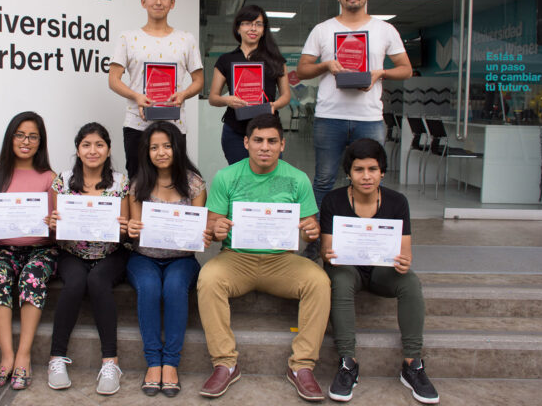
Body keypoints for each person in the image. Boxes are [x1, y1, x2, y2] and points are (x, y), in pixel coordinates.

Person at [197, 114, 331, 402]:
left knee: (319, 282)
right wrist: (217, 228)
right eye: (258, 140)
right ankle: (225, 363)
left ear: (283, 144)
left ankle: (302, 367)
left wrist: (311, 230)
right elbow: (212, 226)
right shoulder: (226, 176)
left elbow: (310, 229)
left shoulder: (297, 179)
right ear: (246, 143)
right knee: (208, 278)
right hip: (236, 258)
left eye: (272, 141)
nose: (264, 147)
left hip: (281, 260)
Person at [297, 0, 412, 260]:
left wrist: (379, 74)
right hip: (329, 116)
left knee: (373, 181)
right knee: (323, 181)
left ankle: (372, 244)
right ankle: (318, 244)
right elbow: (303, 69)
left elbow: (406, 69)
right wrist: (327, 65)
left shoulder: (385, 29)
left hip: (369, 118)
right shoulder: (323, 30)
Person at [320, 138, 439, 404]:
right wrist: (327, 253)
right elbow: (326, 249)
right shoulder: (334, 200)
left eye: (372, 169)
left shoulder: (397, 202)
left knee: (410, 282)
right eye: (359, 170)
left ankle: (413, 364)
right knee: (339, 279)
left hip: (382, 271)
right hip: (348, 269)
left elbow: (404, 251)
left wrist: (404, 262)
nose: (366, 176)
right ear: (348, 173)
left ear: (382, 172)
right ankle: (347, 362)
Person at [46, 122, 130, 395]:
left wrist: (124, 226)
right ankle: (56, 358)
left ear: (108, 150)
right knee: (74, 283)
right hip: (73, 252)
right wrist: (52, 223)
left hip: (110, 253)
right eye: (86, 145)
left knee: (97, 281)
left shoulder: (121, 181)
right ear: (78, 149)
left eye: (99, 145)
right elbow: (53, 228)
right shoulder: (63, 179)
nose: (92, 150)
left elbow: (126, 228)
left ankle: (110, 362)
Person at [126, 121, 207, 398]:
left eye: (167, 146)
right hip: (144, 258)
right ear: (146, 152)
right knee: (149, 288)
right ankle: (153, 361)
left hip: (182, 260)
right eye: (154, 147)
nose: (161, 152)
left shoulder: (194, 183)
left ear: (177, 148)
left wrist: (203, 233)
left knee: (174, 288)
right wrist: (131, 228)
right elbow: (133, 230)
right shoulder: (138, 184)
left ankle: (171, 362)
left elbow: (200, 227)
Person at [0, 112, 57, 390]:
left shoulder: (50, 177)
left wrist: (53, 225)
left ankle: (24, 355)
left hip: (42, 250)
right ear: (10, 137)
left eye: (33, 136)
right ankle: (6, 356)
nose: (26, 141)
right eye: (20, 135)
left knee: (31, 277)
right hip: (4, 249)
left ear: (41, 141)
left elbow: (56, 229)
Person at [109, 0, 204, 179]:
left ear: (172, 2)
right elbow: (113, 80)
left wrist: (184, 94)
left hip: (174, 124)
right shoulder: (128, 38)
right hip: (137, 122)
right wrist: (136, 96)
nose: (158, 2)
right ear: (143, 1)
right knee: (137, 178)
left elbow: (199, 80)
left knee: (174, 178)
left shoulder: (186, 39)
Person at [208, 4, 292, 164]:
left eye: (258, 24)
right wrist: (227, 100)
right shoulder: (226, 60)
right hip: (235, 130)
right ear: (238, 28)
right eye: (247, 23)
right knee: (239, 178)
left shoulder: (275, 59)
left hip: (268, 130)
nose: (253, 28)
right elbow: (213, 97)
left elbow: (286, 95)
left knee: (268, 179)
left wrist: (274, 106)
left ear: (263, 30)